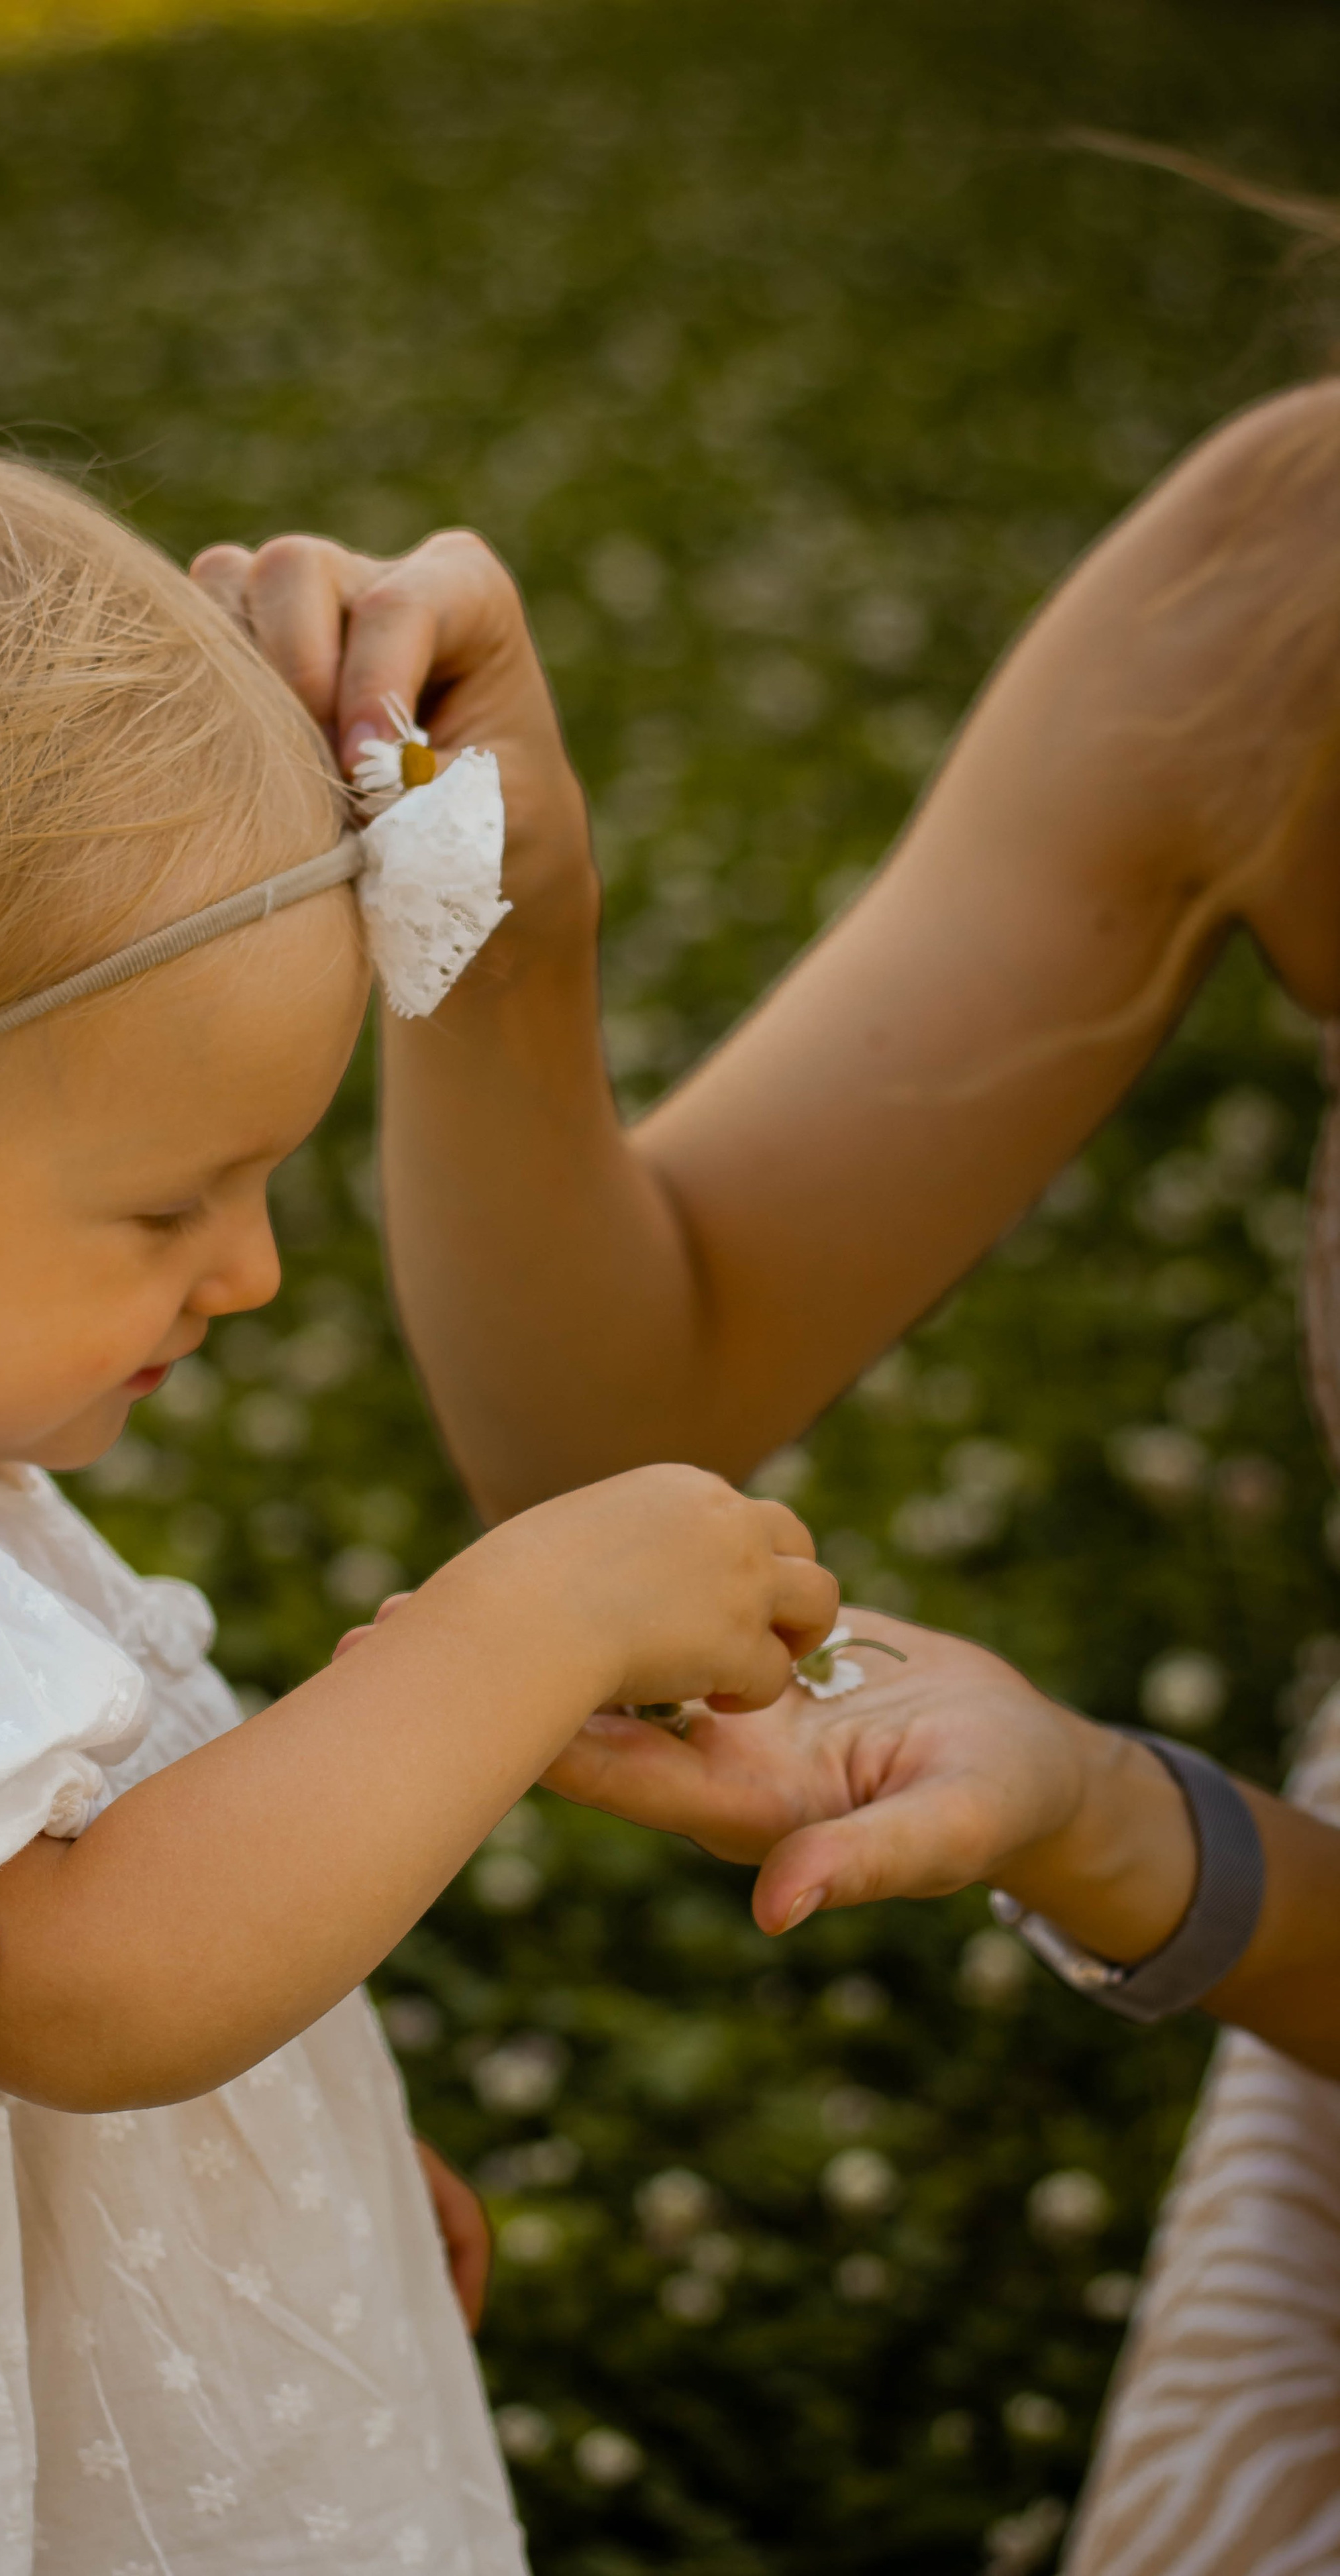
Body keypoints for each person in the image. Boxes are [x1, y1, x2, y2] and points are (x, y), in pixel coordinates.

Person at [0, 445, 837, 2575]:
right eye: (171, 1203)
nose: (253, 1272)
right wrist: (522, 1621)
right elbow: (88, 1981)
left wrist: (289, 2173)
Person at [198, 374, 1340, 2576]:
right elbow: (606, 1430)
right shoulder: (1291, 577)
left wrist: (1125, 1829)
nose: (242, 1282)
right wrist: (499, 927)